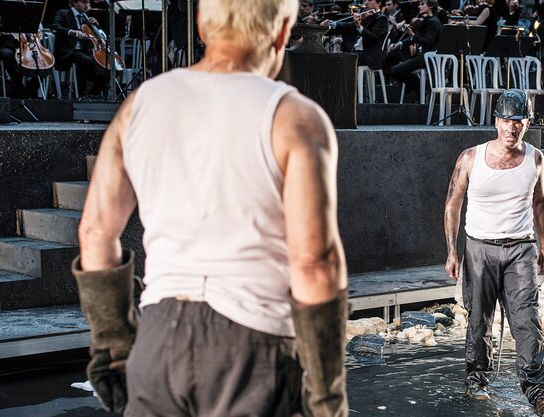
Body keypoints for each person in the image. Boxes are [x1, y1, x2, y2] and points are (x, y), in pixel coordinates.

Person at [71, 0, 349, 415]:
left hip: (158, 339)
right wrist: (327, 397)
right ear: (282, 32)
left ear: (202, 26)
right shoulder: (296, 118)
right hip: (253, 347)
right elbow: (315, 264)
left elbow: (95, 233)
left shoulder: (140, 105)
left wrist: (114, 349)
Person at [444, 89, 544, 415]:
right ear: (496, 121)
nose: (512, 128)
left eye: (518, 121)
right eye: (506, 120)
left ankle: (539, 392)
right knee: (478, 320)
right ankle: (477, 380)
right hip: (479, 247)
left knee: (527, 321)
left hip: (521, 249)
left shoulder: (535, 158)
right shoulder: (470, 158)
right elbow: (453, 205)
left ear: (527, 123)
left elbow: (540, 202)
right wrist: (453, 252)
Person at [51, 0, 109, 97]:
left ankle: (94, 91)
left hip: (85, 50)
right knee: (87, 61)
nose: (86, 5)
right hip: (69, 50)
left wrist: (96, 26)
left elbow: (98, 36)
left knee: (106, 64)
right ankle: (82, 92)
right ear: (74, 2)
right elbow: (54, 26)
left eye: (88, 3)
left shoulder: (86, 18)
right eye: (83, 2)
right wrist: (72, 32)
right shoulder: (63, 13)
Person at [387, 0, 441, 101]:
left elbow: (428, 42)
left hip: (426, 58)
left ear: (430, 7)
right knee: (393, 65)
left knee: (395, 70)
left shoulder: (434, 22)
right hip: (420, 56)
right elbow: (415, 38)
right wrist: (399, 44)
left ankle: (417, 86)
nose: (419, 7)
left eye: (422, 4)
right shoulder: (425, 21)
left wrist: (412, 34)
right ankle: (418, 87)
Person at [322, 0, 388, 70]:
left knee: (340, 59)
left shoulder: (381, 18)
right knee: (334, 57)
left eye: (369, 0)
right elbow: (348, 25)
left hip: (370, 56)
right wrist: (332, 23)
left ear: (378, 3)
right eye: (365, 0)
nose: (366, 3)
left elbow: (372, 37)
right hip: (358, 52)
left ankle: (348, 81)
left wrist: (359, 27)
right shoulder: (366, 16)